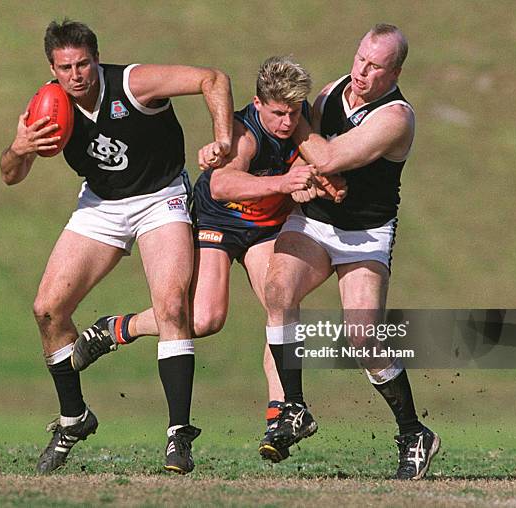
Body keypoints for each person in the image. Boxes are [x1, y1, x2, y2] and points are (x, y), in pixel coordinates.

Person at [69, 56, 346, 463]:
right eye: (277, 114)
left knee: (280, 302)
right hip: (220, 221)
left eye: (292, 113)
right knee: (203, 320)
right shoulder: (244, 133)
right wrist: (285, 183)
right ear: (258, 103)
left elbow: (313, 157)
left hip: (266, 227)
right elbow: (220, 183)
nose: (287, 123)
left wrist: (325, 183)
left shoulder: (299, 116)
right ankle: (117, 328)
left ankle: (281, 413)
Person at [0, 19, 233, 475]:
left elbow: (213, 78)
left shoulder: (133, 83)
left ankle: (178, 436)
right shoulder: (48, 105)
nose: (75, 75)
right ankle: (73, 418)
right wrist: (19, 146)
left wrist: (222, 138)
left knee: (172, 305)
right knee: (48, 309)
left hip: (159, 198)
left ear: (96, 59)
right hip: (101, 204)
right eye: (65, 67)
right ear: (52, 67)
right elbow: (10, 174)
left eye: (83, 63)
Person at [261, 24, 441, 479]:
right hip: (316, 223)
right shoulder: (329, 94)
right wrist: (320, 178)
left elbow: (328, 156)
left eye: (375, 66)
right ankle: (294, 407)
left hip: (366, 234)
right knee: (279, 289)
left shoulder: (396, 118)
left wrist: (315, 155)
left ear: (395, 71)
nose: (361, 71)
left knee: (363, 337)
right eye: (360, 58)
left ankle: (413, 432)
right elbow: (309, 160)